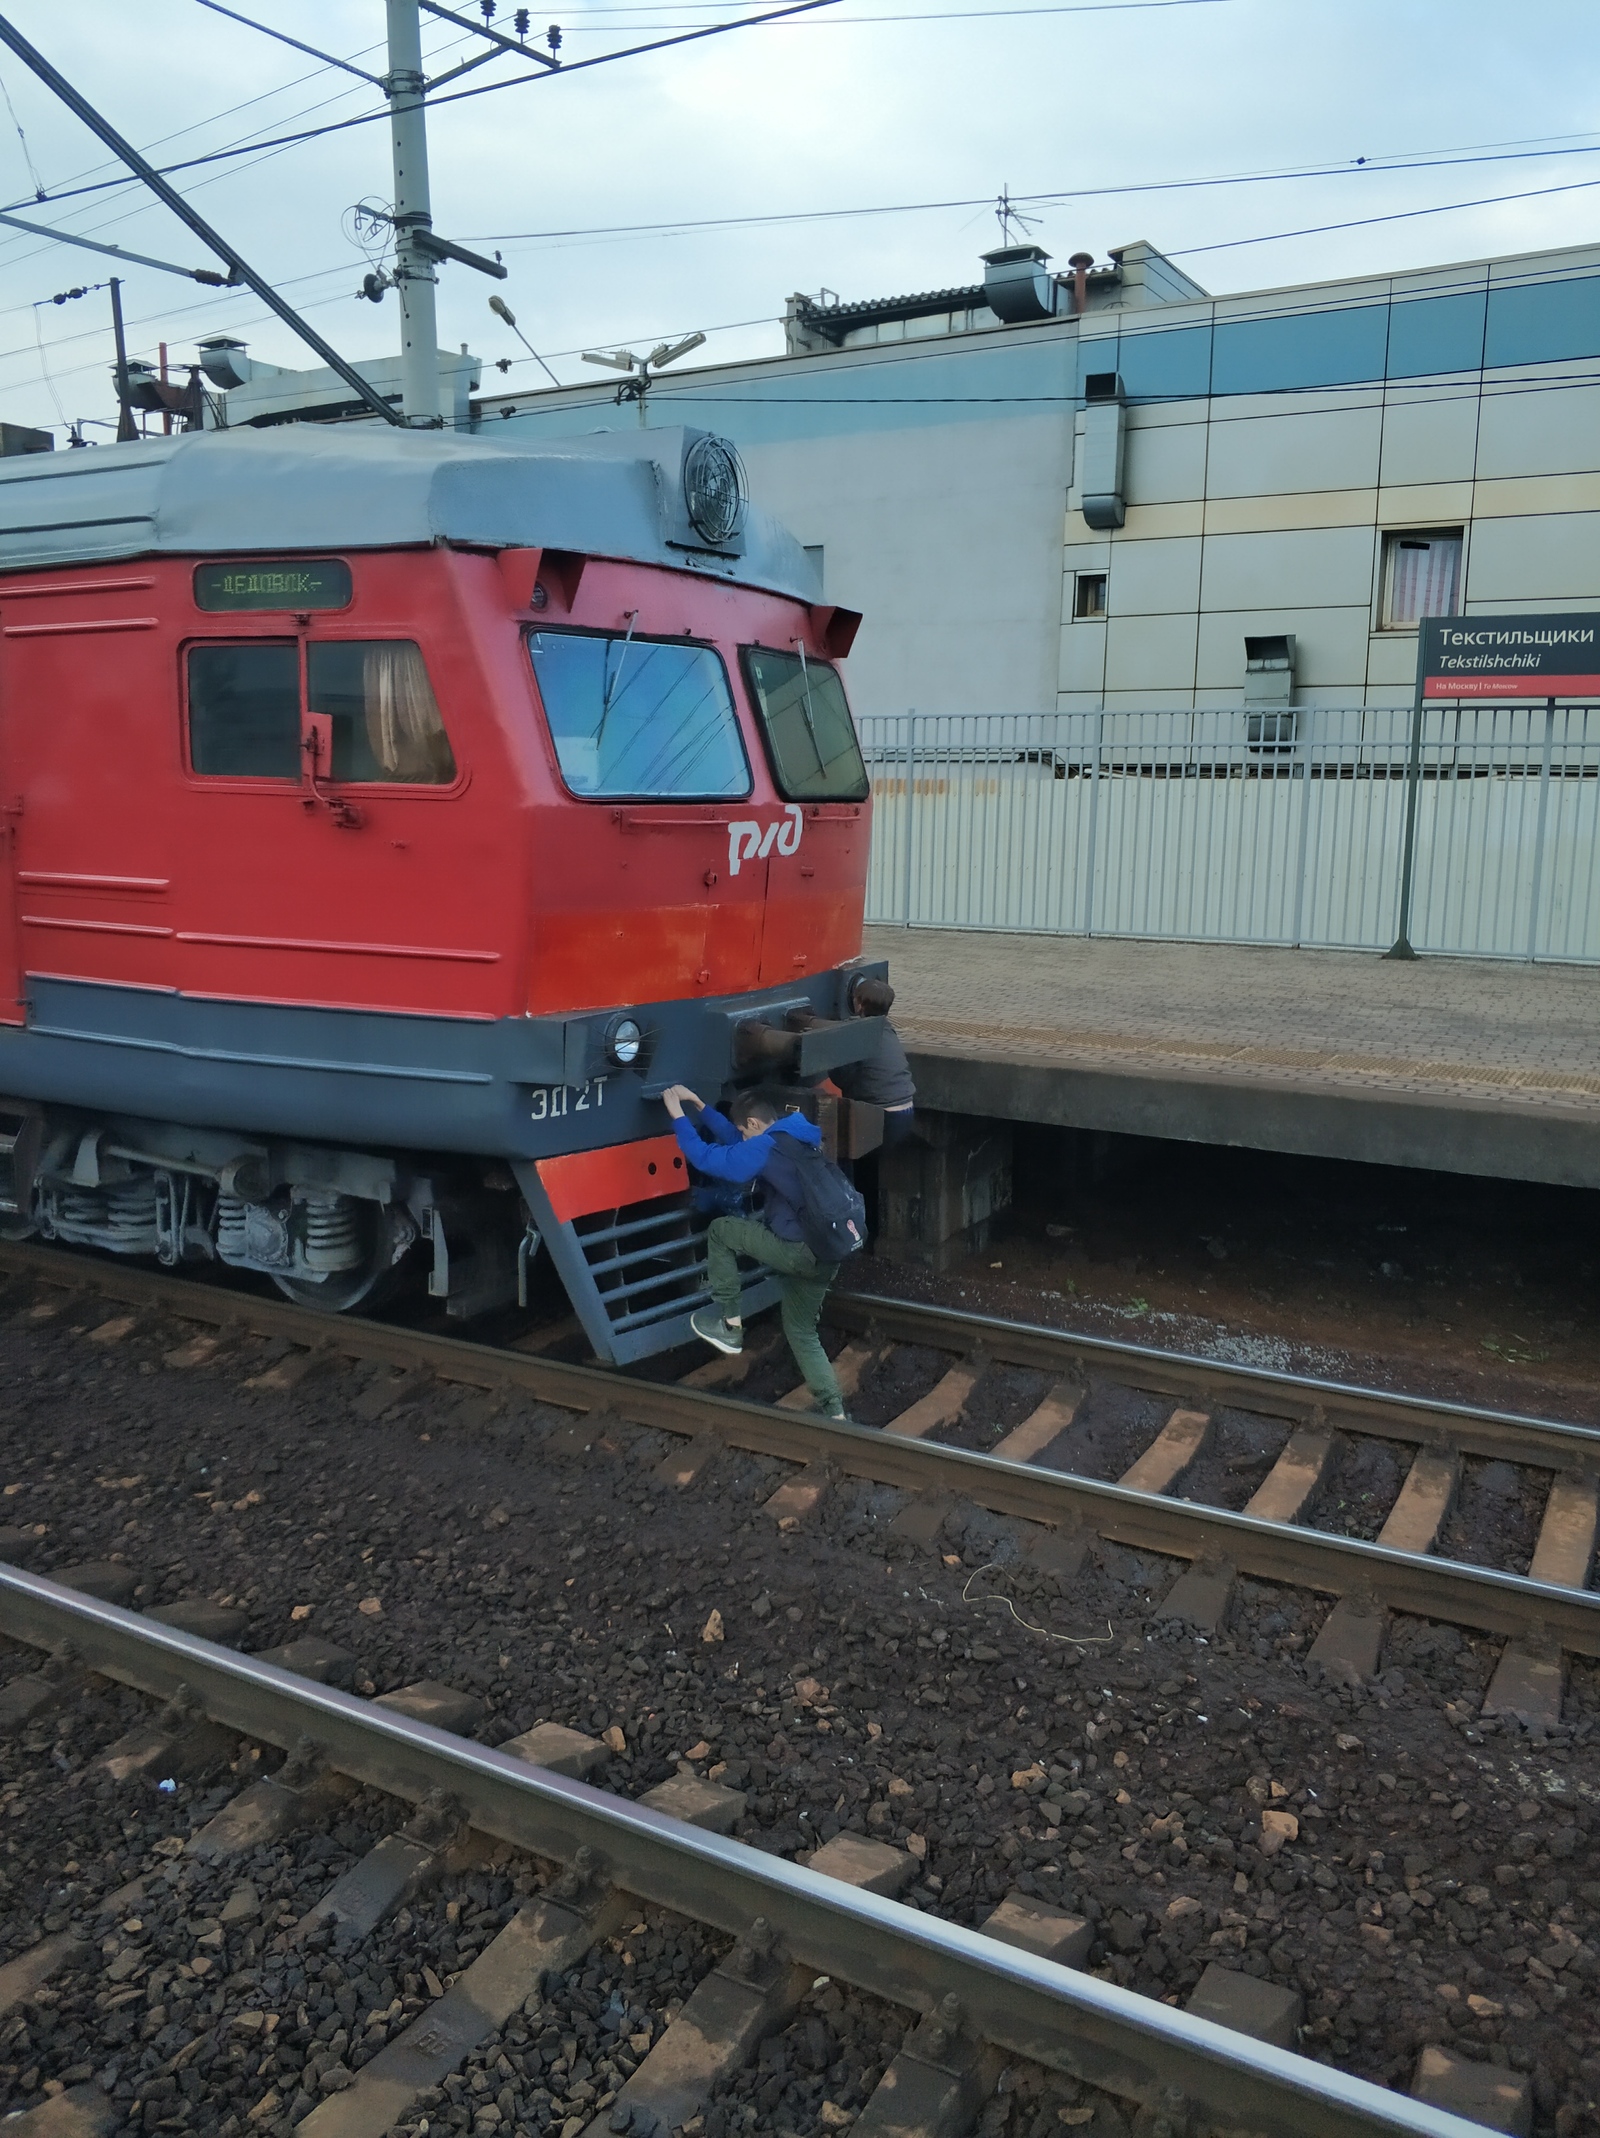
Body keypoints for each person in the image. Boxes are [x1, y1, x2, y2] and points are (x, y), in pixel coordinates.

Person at [662, 1083, 848, 1421]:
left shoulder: (765, 1146)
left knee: (721, 1232)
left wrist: (677, 1114)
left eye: (744, 1131)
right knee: (802, 1332)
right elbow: (737, 1143)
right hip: (830, 1250)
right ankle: (836, 1415)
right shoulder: (796, 1135)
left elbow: (707, 1158)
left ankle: (730, 1327)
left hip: (798, 1249)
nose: (742, 1138)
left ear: (754, 1124)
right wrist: (701, 1105)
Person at [828, 976, 916, 1148]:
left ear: (859, 1005)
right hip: (906, 1109)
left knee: (847, 1154)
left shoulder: (858, 1035)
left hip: (882, 1114)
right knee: (870, 1163)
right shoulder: (887, 1029)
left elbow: (842, 1077)